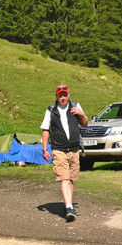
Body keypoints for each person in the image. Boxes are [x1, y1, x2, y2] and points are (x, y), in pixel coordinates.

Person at [41, 83, 87, 222]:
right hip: (59, 149)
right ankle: (68, 207)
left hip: (74, 149)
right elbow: (45, 130)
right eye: (60, 95)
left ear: (68, 94)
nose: (63, 98)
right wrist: (44, 149)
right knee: (64, 178)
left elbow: (85, 123)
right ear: (56, 95)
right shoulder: (51, 110)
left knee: (71, 178)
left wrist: (81, 114)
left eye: (65, 95)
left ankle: (70, 206)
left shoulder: (75, 106)